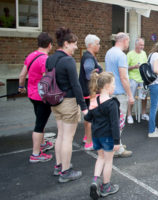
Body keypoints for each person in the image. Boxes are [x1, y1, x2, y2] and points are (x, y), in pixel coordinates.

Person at [47, 27, 88, 183]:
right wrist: (83, 107)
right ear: (66, 44)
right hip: (68, 102)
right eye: (74, 44)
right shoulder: (68, 60)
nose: (76, 47)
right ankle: (66, 171)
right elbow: (76, 85)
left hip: (55, 102)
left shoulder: (50, 59)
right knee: (67, 138)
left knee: (60, 135)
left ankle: (59, 166)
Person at [18, 32, 54, 163]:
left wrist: (21, 87)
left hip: (32, 94)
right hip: (42, 97)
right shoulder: (45, 59)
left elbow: (22, 76)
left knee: (40, 120)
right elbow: (47, 80)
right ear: (49, 45)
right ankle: (35, 153)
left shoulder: (31, 56)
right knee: (39, 124)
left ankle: (42, 143)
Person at [85, 71, 120, 199]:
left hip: (96, 136)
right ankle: (106, 186)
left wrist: (90, 108)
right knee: (108, 161)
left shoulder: (95, 100)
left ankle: (95, 181)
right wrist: (117, 141)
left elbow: (88, 117)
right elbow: (114, 124)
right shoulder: (112, 103)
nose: (115, 86)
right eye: (113, 84)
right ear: (106, 86)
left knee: (100, 158)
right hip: (108, 136)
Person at [105, 32, 133, 158]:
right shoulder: (121, 55)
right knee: (119, 122)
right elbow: (124, 77)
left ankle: (117, 144)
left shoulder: (109, 52)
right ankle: (117, 148)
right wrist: (130, 94)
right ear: (124, 40)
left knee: (112, 121)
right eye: (128, 41)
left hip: (110, 91)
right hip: (119, 93)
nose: (128, 44)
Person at [79, 34, 103, 150]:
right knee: (91, 117)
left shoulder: (90, 56)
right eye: (97, 43)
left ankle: (86, 137)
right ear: (90, 45)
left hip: (88, 91)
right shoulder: (88, 57)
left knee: (88, 116)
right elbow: (89, 75)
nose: (99, 46)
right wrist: (99, 76)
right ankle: (89, 142)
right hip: (90, 92)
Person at [127, 38, 149, 124]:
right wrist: (133, 67)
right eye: (140, 45)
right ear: (136, 45)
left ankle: (143, 113)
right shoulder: (129, 54)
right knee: (131, 97)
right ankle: (129, 115)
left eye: (143, 45)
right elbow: (125, 67)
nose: (142, 47)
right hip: (133, 78)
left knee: (144, 97)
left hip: (142, 79)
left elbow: (146, 64)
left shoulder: (144, 53)